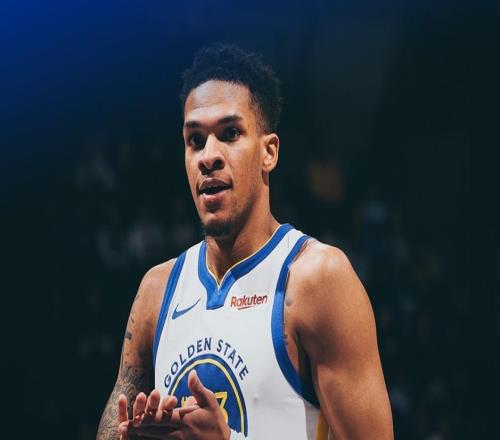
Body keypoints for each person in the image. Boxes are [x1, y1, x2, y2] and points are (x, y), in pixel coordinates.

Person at [97, 44, 393, 440]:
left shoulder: (317, 279)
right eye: (195, 139)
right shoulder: (156, 291)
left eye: (230, 134)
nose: (209, 156)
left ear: (269, 152)